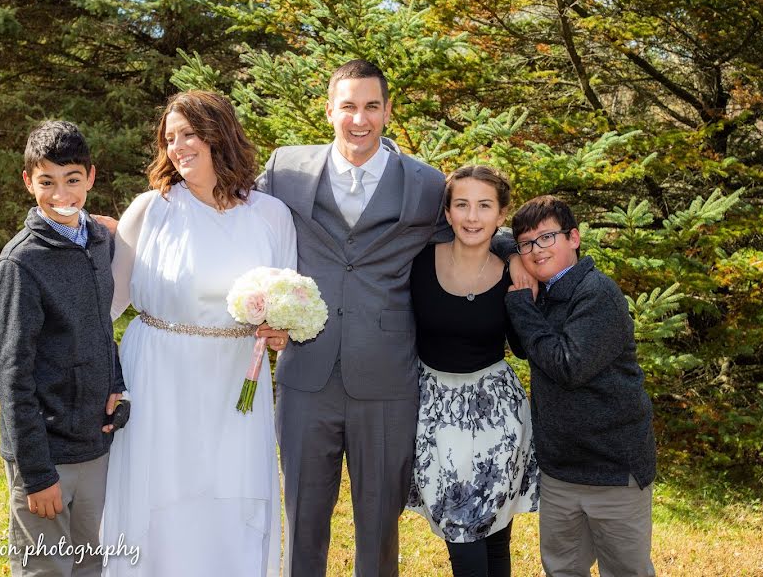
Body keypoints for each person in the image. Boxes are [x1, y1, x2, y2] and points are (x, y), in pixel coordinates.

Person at [257, 60, 532, 577]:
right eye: (348, 107)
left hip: (387, 379)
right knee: (301, 519)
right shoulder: (285, 170)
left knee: (379, 526)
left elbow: (468, 228)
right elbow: (243, 221)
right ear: (329, 110)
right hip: (305, 375)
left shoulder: (425, 184)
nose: (359, 119)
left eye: (371, 107)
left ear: (387, 111)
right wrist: (259, 307)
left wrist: (514, 254)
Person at [101, 90, 296, 576]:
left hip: (235, 381)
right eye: (170, 138)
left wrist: (280, 330)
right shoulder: (151, 210)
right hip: (158, 373)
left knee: (229, 489)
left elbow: (288, 302)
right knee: (162, 490)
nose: (179, 146)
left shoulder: (270, 215)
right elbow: (109, 302)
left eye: (189, 134)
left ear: (219, 134)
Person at [0, 120, 127, 575]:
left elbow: (100, 330)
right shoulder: (20, 263)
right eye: (47, 181)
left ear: (90, 176)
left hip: (94, 444)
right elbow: (12, 376)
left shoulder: (100, 242)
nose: (61, 194)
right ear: (29, 181)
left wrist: (116, 388)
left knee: (91, 565)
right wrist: (36, 472)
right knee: (46, 569)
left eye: (72, 180)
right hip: (45, 455)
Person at [504, 196, 657, 577]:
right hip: (560, 472)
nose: (537, 250)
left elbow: (568, 366)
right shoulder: (547, 290)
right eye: (527, 243)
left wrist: (521, 302)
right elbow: (526, 347)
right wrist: (512, 259)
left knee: (626, 572)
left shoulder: (596, 292)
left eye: (547, 238)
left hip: (612, 471)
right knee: (562, 570)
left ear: (574, 237)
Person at [407, 165, 539, 577]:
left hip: (497, 417)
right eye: (461, 205)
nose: (472, 217)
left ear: (501, 214)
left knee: (497, 540)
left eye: (485, 206)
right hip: (436, 414)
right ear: (446, 213)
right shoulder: (419, 261)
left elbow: (522, 347)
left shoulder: (514, 275)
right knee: (461, 538)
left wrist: (521, 278)